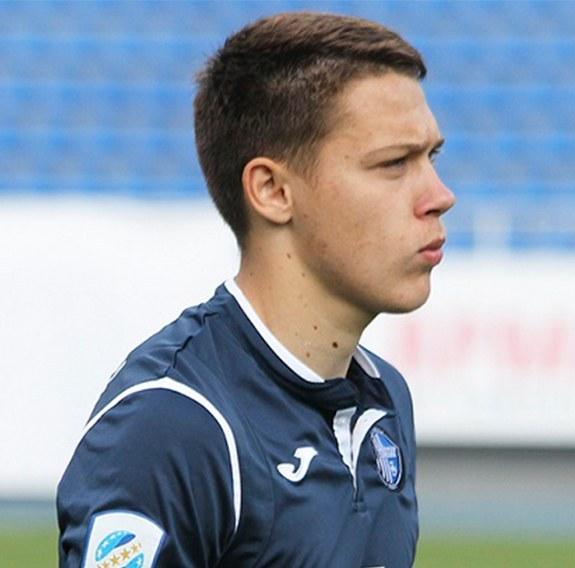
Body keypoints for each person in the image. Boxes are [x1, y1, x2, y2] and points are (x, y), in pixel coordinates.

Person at [57, 11, 455, 568]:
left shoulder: (384, 400)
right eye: (394, 164)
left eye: (430, 158)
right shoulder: (171, 425)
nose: (439, 196)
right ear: (272, 191)